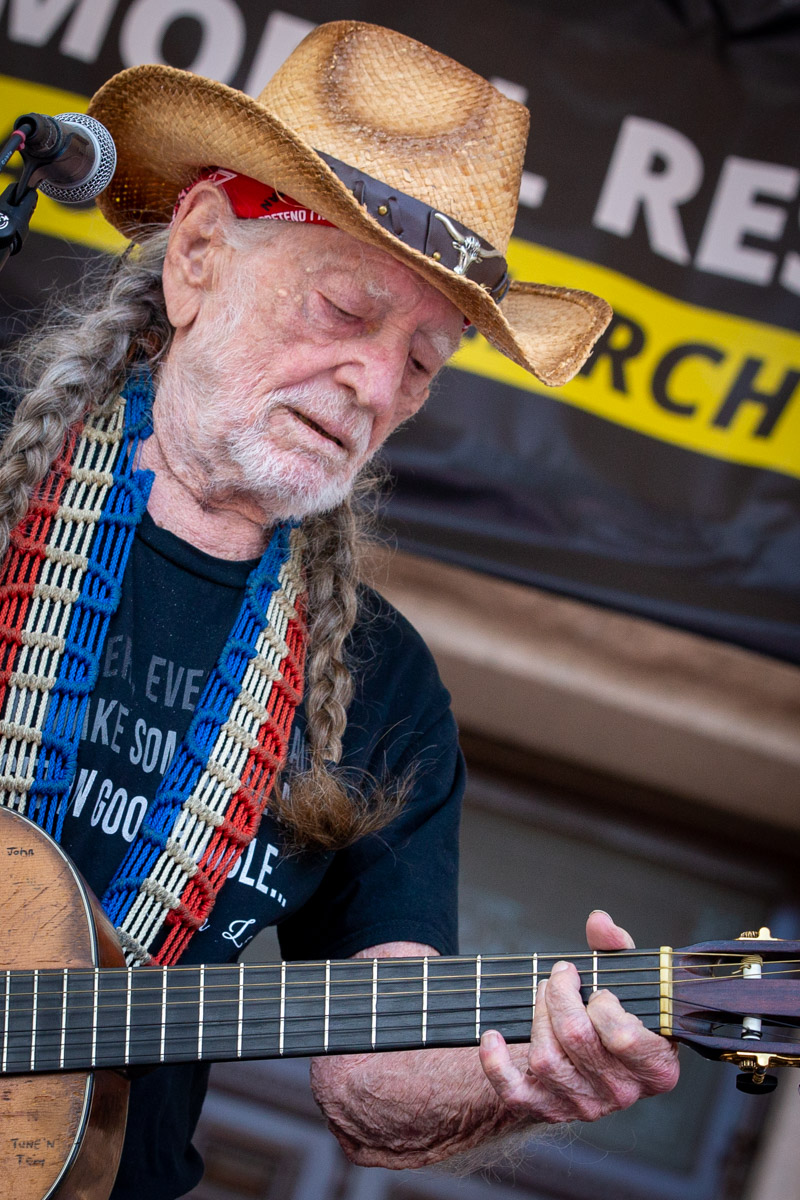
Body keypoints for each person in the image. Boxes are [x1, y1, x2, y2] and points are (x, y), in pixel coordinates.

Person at [0, 20, 679, 1198]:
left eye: (423, 360)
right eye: (345, 310)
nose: (375, 386)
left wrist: (516, 1077)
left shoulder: (384, 687)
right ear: (200, 253)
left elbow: (376, 1084)